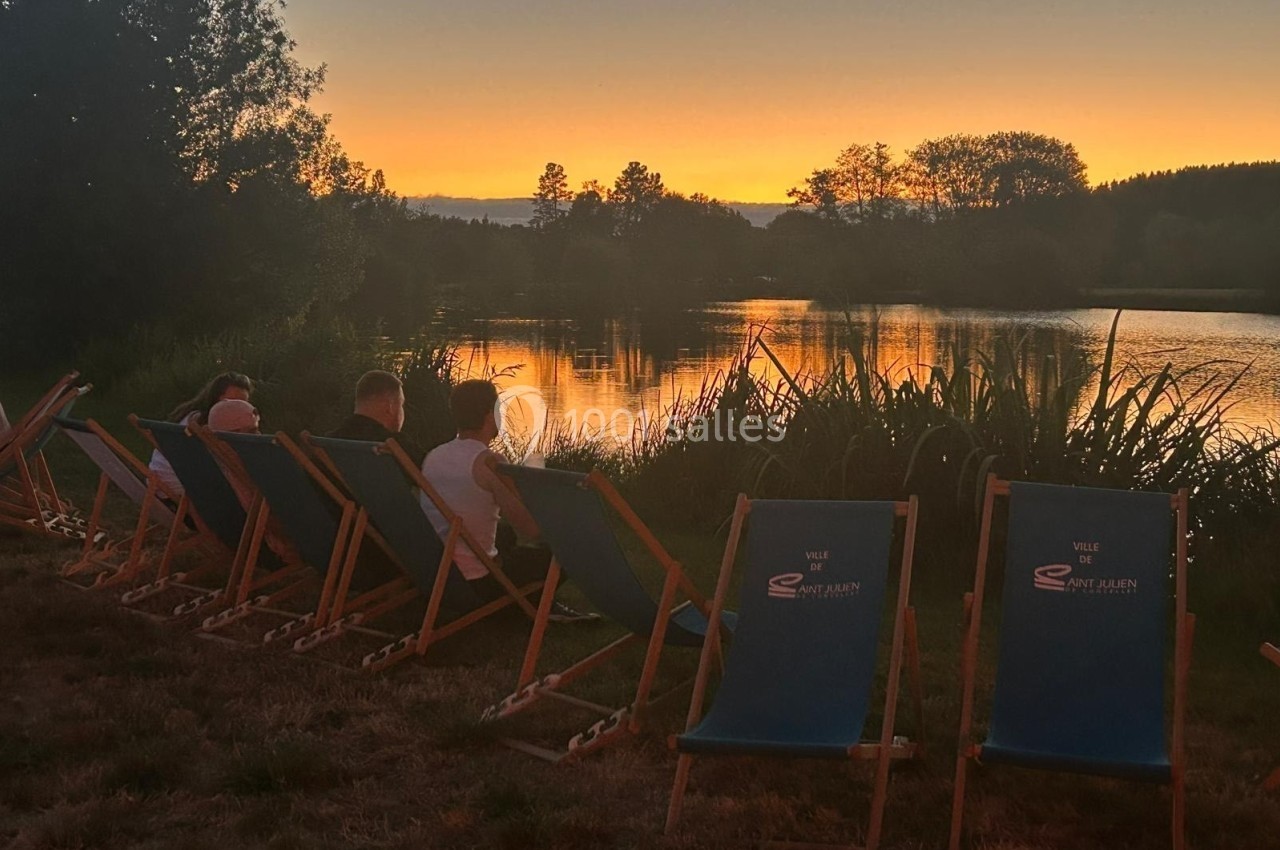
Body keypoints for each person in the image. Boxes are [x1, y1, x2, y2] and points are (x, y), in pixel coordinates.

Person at [419, 379, 595, 622]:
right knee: (566, 550)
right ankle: (530, 605)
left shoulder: (433, 456)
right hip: (476, 582)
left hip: (438, 573)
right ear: (490, 416)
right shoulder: (490, 462)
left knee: (505, 535)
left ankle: (535, 602)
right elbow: (531, 528)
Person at [206, 399, 299, 564]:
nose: (258, 438)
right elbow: (282, 526)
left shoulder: (211, 467)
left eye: (256, 431)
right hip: (282, 545)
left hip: (239, 544)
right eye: (251, 433)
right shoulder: (257, 474)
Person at [148, 371, 254, 496]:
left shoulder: (190, 415)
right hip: (180, 487)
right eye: (231, 402)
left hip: (157, 481)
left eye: (243, 404)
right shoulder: (206, 424)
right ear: (215, 397)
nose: (236, 408)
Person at [327, 370, 424, 464]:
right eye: (401, 404)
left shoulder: (327, 444)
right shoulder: (395, 447)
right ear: (389, 407)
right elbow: (432, 470)